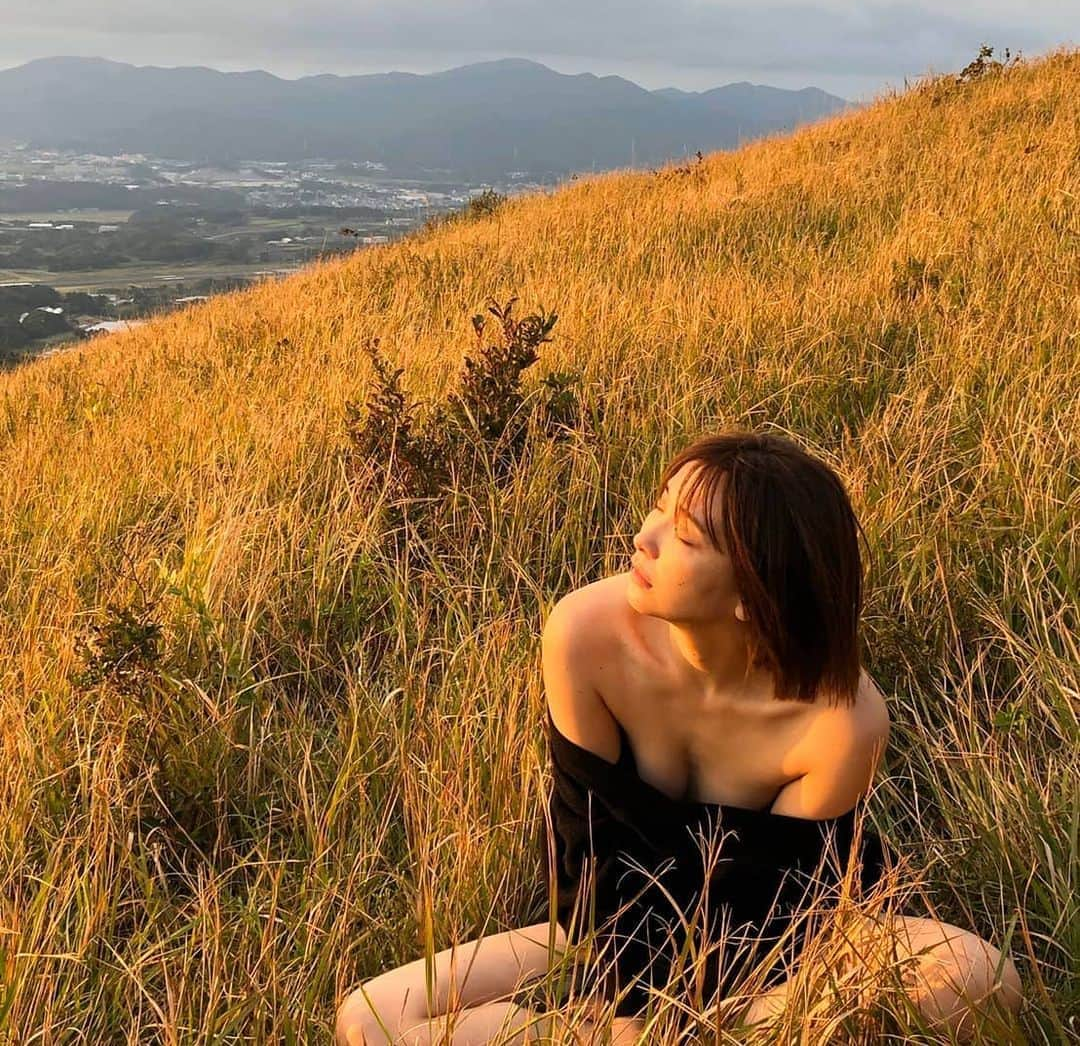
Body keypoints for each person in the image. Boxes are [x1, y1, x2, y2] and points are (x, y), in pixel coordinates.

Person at [336, 431, 1024, 1045]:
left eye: (686, 536)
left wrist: (666, 1021)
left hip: (785, 941)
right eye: (659, 506)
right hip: (609, 923)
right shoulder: (585, 636)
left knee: (982, 978)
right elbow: (588, 863)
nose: (644, 536)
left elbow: (776, 920)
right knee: (367, 1019)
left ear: (752, 597)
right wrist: (613, 1018)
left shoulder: (839, 723)